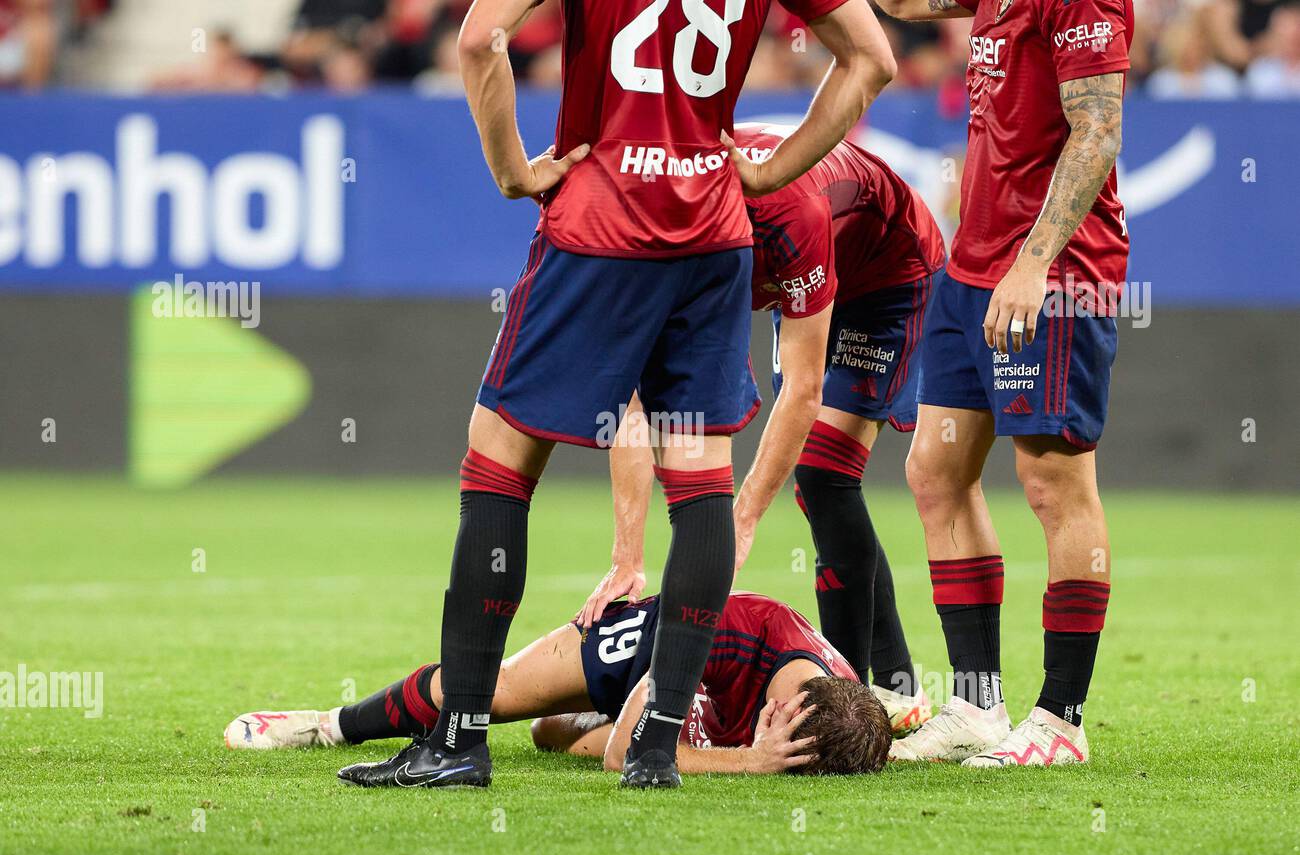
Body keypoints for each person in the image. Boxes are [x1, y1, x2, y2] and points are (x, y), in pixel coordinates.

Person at [386, 0, 897, 790]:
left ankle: (458, 741)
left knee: (499, 468)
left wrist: (514, 171)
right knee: (700, 486)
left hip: (599, 230)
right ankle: (657, 749)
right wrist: (769, 171)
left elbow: (480, 37)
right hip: (713, 237)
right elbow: (872, 59)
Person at [580, 123, 945, 736]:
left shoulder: (787, 213)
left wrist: (739, 521)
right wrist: (628, 556)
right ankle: (893, 683)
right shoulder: (656, 224)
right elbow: (635, 402)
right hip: (805, 277)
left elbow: (804, 390)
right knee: (818, 480)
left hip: (886, 274)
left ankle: (856, 692)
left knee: (824, 472)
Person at [873, 0, 1129, 767]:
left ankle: (1061, 720)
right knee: (935, 471)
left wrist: (1034, 262)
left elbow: (1098, 128)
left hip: (1051, 274)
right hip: (972, 267)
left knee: (1054, 483)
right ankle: (978, 705)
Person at [224, 591, 894, 780]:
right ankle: (323, 723)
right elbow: (623, 757)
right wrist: (749, 758)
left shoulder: (842, 705)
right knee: (500, 694)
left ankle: (583, 716)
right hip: (662, 640)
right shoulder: (732, 632)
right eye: (771, 737)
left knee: (552, 737)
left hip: (706, 694)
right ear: (779, 708)